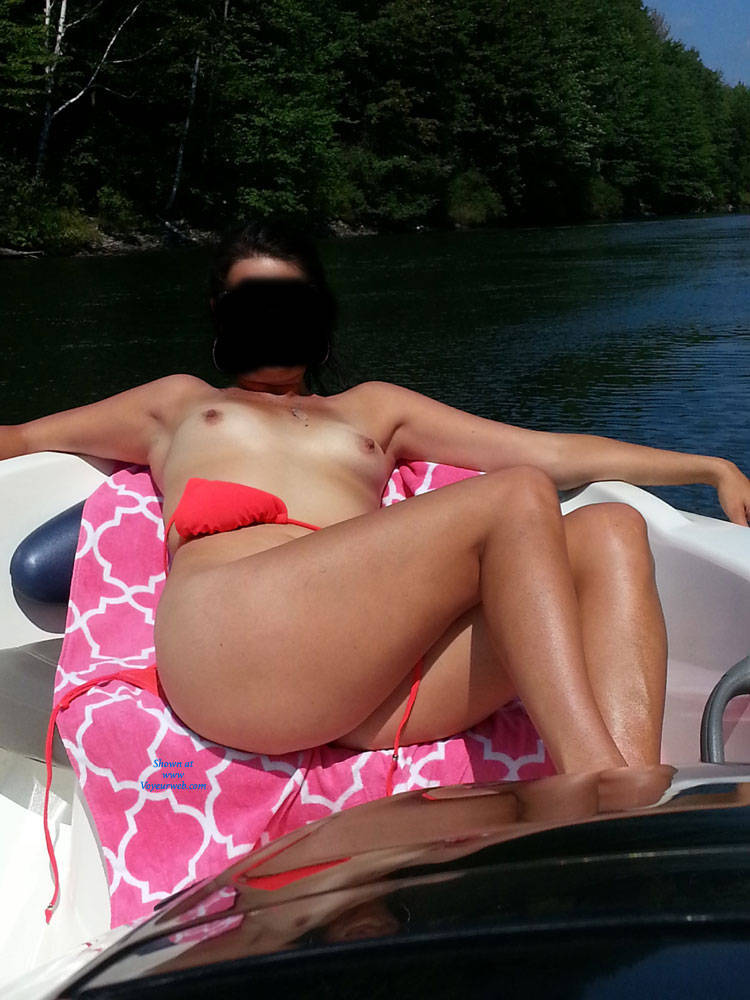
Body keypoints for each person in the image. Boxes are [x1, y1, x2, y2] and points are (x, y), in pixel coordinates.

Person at [3, 220, 750, 778]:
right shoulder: (179, 404)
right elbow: (24, 437)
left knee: (612, 528)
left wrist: (708, 466)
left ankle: (630, 809)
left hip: (362, 681)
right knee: (516, 498)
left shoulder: (374, 410)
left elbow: (544, 451)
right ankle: (601, 794)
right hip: (233, 641)